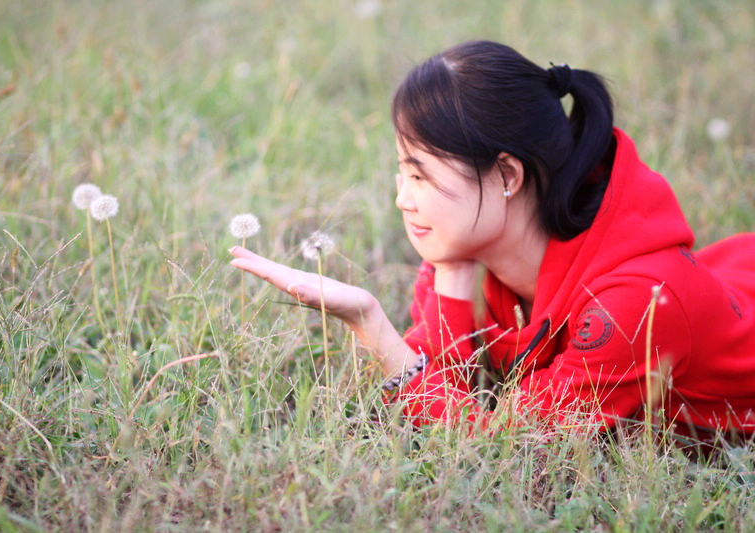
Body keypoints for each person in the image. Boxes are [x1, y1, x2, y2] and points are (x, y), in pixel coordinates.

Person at [230, 40, 755, 440]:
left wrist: (371, 323)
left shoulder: (634, 306)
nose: (402, 200)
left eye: (420, 175)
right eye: (401, 172)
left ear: (506, 175)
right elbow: (441, 387)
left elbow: (503, 446)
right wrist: (454, 276)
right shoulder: (463, 249)